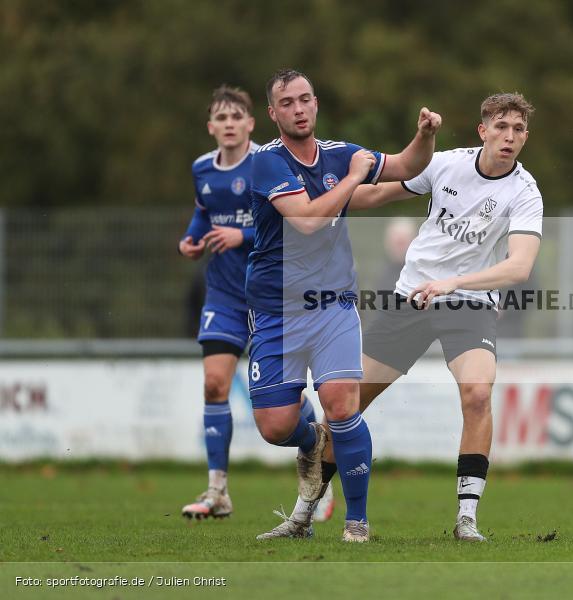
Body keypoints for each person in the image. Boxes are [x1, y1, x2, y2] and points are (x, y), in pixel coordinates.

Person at [324, 92, 543, 541]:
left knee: (478, 394)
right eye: (501, 127)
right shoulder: (446, 164)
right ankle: (306, 508)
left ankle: (467, 518)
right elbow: (378, 193)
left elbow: (519, 267)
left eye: (518, 129)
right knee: (345, 404)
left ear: (525, 137)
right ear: (483, 131)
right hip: (413, 296)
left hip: (469, 303)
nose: (509, 136)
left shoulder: (525, 191)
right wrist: (318, 203)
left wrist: (454, 283)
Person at [247, 69, 441, 542]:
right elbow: (306, 219)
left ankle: (357, 522)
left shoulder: (339, 152)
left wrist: (424, 136)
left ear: (316, 103)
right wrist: (354, 178)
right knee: (275, 426)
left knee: (342, 404)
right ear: (272, 113)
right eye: (287, 102)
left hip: (333, 303)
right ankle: (312, 440)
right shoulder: (267, 162)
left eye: (305, 99)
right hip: (275, 309)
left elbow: (405, 165)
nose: (298, 109)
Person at [177, 85, 259, 520]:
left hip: (268, 294)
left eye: (236, 116)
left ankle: (314, 467)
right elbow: (203, 214)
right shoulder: (202, 168)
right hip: (224, 294)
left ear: (250, 124)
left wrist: (241, 235)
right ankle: (217, 491)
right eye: (221, 118)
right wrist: (190, 240)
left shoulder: (266, 164)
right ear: (211, 127)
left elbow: (290, 223)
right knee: (213, 385)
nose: (229, 124)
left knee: (280, 408)